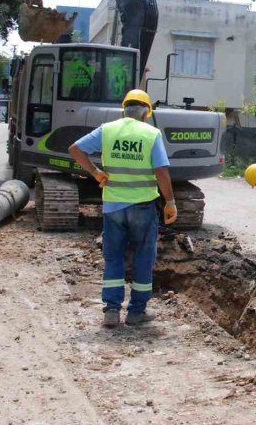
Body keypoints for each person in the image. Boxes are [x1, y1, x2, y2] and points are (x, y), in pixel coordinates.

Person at [68, 89, 177, 328]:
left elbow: (75, 149)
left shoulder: (108, 130)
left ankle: (111, 311)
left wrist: (96, 172)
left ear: (123, 110)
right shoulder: (151, 133)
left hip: (113, 206)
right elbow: (161, 171)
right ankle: (136, 312)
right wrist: (170, 202)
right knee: (143, 258)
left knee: (114, 257)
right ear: (146, 113)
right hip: (143, 206)